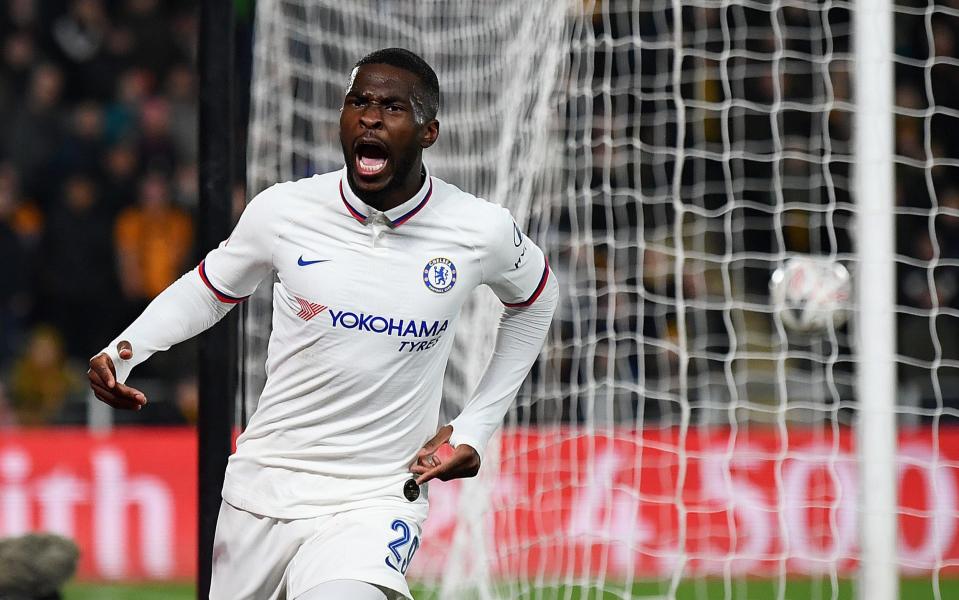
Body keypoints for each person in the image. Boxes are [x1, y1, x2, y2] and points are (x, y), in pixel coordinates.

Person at [87, 48, 557, 600]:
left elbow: (536, 301)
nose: (371, 117)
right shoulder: (283, 211)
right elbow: (209, 289)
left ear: (429, 131)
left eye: (392, 107)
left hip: (376, 498)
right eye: (358, 102)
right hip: (263, 492)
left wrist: (475, 426)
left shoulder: (480, 229)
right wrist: (126, 350)